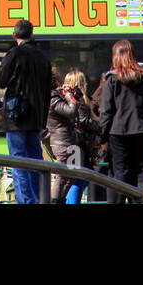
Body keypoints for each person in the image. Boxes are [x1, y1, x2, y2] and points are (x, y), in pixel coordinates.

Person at [0, 18, 52, 203]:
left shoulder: (15, 53)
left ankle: (26, 201)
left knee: (18, 162)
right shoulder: (43, 57)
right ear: (32, 34)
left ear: (14, 35)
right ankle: (38, 199)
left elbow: (1, 80)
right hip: (36, 120)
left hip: (16, 118)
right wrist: (43, 122)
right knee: (36, 161)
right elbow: (47, 92)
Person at [97, 40, 143, 202]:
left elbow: (106, 111)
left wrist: (102, 138)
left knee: (120, 172)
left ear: (116, 56)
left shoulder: (111, 80)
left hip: (118, 132)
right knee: (141, 172)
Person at [46, 68, 100, 203]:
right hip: (70, 144)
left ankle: (63, 200)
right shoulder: (56, 98)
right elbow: (74, 114)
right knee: (69, 177)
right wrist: (70, 96)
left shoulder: (60, 96)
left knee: (71, 177)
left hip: (72, 142)